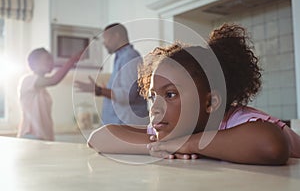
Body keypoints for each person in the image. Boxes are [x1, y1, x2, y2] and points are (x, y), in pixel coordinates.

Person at [87, 23, 300, 165]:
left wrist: (187, 144)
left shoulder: (238, 121)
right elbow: (99, 138)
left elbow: (271, 145)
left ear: (211, 102)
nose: (155, 108)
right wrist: (159, 147)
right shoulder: (173, 129)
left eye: (170, 95)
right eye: (152, 96)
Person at [74, 23, 149, 125]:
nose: (104, 43)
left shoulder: (129, 56)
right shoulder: (121, 57)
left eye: (106, 38)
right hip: (119, 127)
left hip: (127, 127)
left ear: (116, 36)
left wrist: (100, 91)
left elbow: (128, 95)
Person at [17, 48, 80, 141]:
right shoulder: (27, 80)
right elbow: (54, 80)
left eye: (51, 59)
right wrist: (72, 60)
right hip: (31, 135)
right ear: (34, 63)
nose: (52, 62)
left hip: (43, 137)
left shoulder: (42, 90)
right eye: (47, 59)